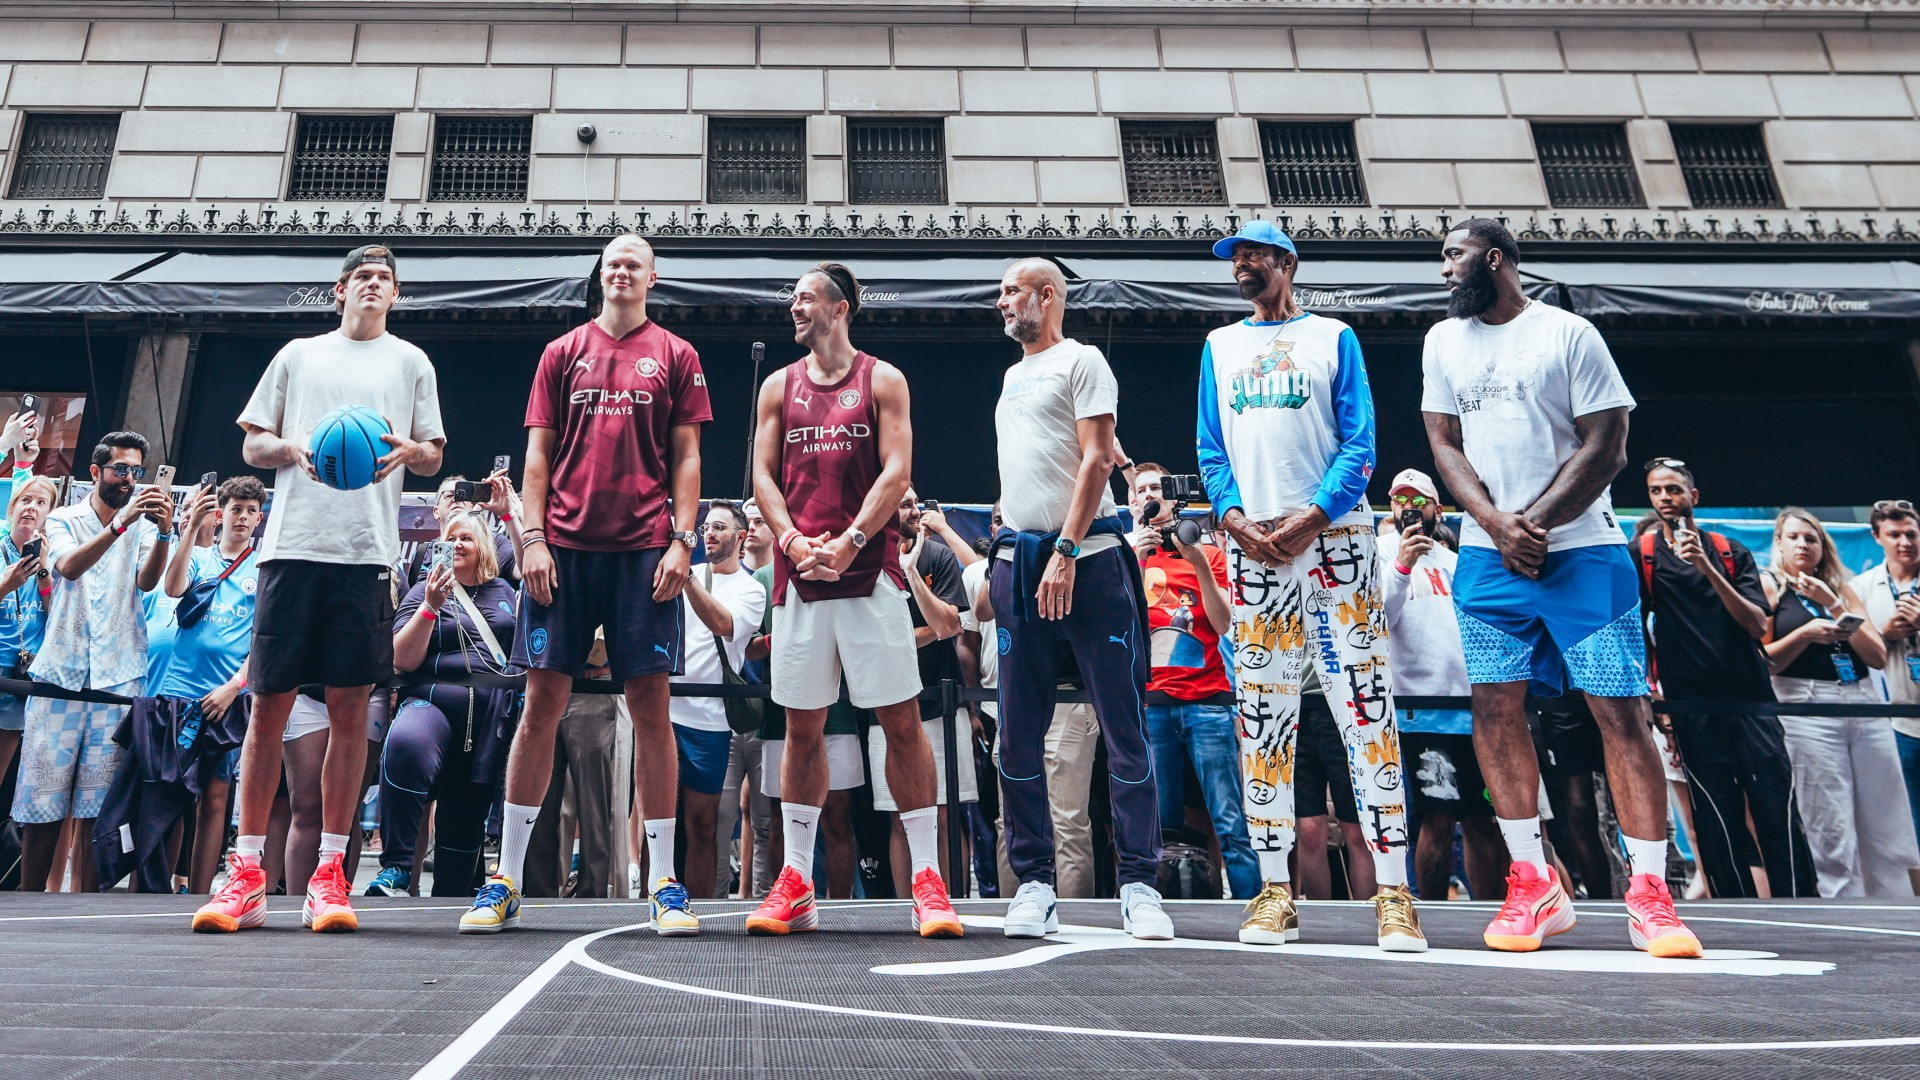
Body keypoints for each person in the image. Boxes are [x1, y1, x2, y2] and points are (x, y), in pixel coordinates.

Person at [1421, 218, 1701, 957]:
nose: (1442, 268)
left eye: (1451, 254)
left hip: (1583, 552)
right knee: (1495, 708)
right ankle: (1531, 881)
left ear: (1492, 258)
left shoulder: (1568, 333)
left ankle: (1650, 893)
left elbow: (1609, 444)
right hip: (1487, 559)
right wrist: (1490, 524)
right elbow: (1443, 441)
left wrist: (1534, 525)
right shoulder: (1442, 341)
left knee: (1621, 713)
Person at [462, 234, 709, 936]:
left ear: (653, 277)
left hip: (644, 552)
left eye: (634, 262)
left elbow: (688, 458)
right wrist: (530, 538)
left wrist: (682, 541)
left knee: (651, 707)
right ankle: (505, 878)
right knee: (542, 704)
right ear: (600, 277)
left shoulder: (677, 355)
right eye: (612, 263)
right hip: (562, 551)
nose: (622, 270)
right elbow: (537, 457)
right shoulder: (561, 352)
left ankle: (665, 883)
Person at [195, 244, 445, 933]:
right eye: (363, 276)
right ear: (340, 290)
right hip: (291, 549)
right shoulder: (299, 355)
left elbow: (431, 450)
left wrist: (410, 454)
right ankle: (245, 874)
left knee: (348, 711)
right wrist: (295, 449)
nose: (374, 285)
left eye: (385, 279)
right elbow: (251, 446)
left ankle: (329, 874)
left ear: (395, 295)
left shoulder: (410, 363)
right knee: (268, 705)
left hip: (364, 555)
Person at [1197, 222, 1421, 951]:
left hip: (1340, 540)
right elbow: (1210, 446)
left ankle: (1394, 893)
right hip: (1254, 547)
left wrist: (1314, 516)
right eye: (1234, 259)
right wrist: (1232, 520)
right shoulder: (1219, 346)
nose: (1242, 268)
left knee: (1366, 710)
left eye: (1254, 256)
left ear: (1287, 263)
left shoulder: (1335, 337)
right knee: (1263, 716)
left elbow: (1361, 442)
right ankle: (1273, 891)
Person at [748, 261, 963, 938]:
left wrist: (851, 538)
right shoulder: (780, 386)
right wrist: (787, 542)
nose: (795, 308)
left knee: (901, 722)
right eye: (793, 300)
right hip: (800, 581)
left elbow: (898, 471)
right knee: (802, 729)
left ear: (840, 309)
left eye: (806, 299)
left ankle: (928, 879)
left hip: (869, 575)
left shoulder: (884, 379)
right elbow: (760, 473)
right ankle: (797, 881)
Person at [991, 256, 1172, 941]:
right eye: (1001, 293)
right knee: (1018, 732)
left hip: (1086, 561)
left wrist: (1067, 550)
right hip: (1022, 560)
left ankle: (1140, 884)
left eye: (1013, 292)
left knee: (1124, 727)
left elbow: (1093, 457)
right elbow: (1069, 450)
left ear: (1047, 295)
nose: (1004, 303)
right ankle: (1034, 881)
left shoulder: (1084, 358)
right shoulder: (1013, 375)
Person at [1640, 460, 1815, 898]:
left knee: (1775, 805)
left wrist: (1708, 569)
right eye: (1656, 490)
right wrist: (1651, 696)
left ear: (1693, 497)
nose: (1665, 498)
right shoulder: (1641, 553)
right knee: (1715, 814)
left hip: (1751, 698)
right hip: (1689, 705)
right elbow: (1634, 627)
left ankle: (1801, 902)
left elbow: (1757, 624)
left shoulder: (1729, 550)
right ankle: (1735, 908)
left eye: (1674, 490)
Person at [13, 432, 171, 893]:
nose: (129, 479)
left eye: (136, 472)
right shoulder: (63, 518)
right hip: (60, 677)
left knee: (97, 806)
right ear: (95, 473)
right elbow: (68, 568)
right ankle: (28, 898)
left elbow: (147, 582)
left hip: (118, 679)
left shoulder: (142, 525)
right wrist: (121, 524)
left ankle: (83, 904)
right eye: (120, 469)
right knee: (44, 800)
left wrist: (162, 532)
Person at [1763, 507, 1919, 897]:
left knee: (1887, 814)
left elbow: (1878, 656)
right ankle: (1840, 904)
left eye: (1811, 538)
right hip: (1806, 706)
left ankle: (1895, 908)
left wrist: (1833, 604)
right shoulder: (1770, 586)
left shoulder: (1839, 587)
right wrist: (1803, 635)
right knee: (1828, 817)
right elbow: (1763, 661)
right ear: (1778, 543)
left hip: (1863, 702)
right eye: (1795, 537)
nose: (1803, 544)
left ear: (1823, 547)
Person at [1127, 462, 1260, 901]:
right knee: (1156, 822)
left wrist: (1199, 561)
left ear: (1172, 498)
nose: (1149, 495)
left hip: (1208, 701)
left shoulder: (1211, 554)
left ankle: (1251, 905)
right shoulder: (1121, 555)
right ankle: (1153, 905)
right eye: (1141, 489)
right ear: (1132, 501)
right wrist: (1134, 556)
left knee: (1229, 819)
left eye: (1157, 488)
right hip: (1151, 702)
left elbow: (1223, 625)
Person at [368, 511, 519, 898]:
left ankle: (453, 897)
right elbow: (401, 659)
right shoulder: (423, 589)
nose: (457, 545)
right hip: (432, 703)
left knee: (463, 827)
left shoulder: (502, 590)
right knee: (406, 743)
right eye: (450, 539)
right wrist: (431, 606)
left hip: (487, 719)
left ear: (484, 546)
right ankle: (398, 867)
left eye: (466, 538)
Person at [1380, 468, 1506, 902]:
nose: (1410, 508)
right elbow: (1378, 621)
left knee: (1482, 818)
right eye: (1401, 500)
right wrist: (1401, 565)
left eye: (1419, 500)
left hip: (1474, 707)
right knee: (1436, 816)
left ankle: (1489, 907)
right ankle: (1434, 911)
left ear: (1438, 508)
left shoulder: (1458, 563)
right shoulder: (1377, 554)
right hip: (1418, 707)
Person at [156, 476, 267, 896]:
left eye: (250, 511)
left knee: (215, 801)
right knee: (170, 798)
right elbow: (172, 587)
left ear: (259, 518)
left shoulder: (262, 568)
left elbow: (262, 640)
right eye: (235, 509)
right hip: (178, 692)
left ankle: (200, 893)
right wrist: (188, 532)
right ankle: (157, 891)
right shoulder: (200, 557)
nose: (242, 517)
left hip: (227, 699)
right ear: (220, 514)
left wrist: (235, 687)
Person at [868, 488, 975, 898]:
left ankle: (954, 904)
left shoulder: (937, 556)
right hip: (884, 706)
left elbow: (949, 627)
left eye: (915, 502)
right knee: (901, 817)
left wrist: (912, 572)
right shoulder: (864, 561)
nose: (915, 511)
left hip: (940, 706)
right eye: (904, 503)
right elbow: (865, 639)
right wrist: (918, 636)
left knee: (946, 815)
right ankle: (905, 907)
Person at [670, 499, 764, 899]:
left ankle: (703, 910)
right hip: (665, 713)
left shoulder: (751, 588)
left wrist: (686, 577)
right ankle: (643, 908)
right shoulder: (684, 571)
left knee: (703, 826)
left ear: (740, 537)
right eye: (707, 526)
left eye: (720, 527)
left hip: (710, 721)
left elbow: (724, 625)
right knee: (655, 824)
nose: (709, 533)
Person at [1855, 499, 1920, 847]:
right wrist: (1885, 635)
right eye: (1894, 535)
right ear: (1877, 536)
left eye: (1911, 534)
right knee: (1906, 816)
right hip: (1894, 720)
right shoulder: (1862, 587)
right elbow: (1853, 652)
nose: (1904, 542)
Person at [0, 475, 55, 786]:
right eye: (26, 500)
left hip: (20, 678)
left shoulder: (52, 560)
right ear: (12, 508)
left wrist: (44, 571)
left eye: (40, 503)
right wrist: (7, 585)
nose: (31, 508)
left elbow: (57, 616)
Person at [406, 473, 520, 585]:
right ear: (436, 512)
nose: (457, 499)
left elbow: (523, 570)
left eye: (463, 494)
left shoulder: (494, 542)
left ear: (472, 507)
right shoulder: (423, 552)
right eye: (449, 495)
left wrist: (509, 513)